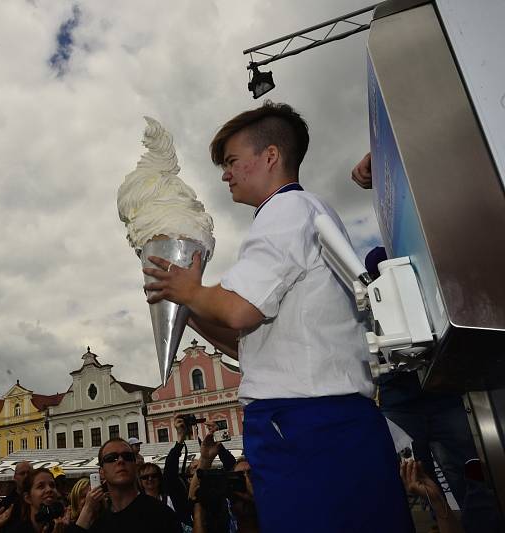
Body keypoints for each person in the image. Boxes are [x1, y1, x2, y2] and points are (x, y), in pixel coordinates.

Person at [144, 101, 413, 532]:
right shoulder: (304, 212)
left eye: (232, 161)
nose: (225, 174)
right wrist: (186, 307)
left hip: (306, 424)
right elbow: (247, 343)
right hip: (322, 421)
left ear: (270, 155)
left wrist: (191, 290)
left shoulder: (286, 210)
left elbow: (237, 310)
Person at [352, 152, 505, 533]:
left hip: (444, 385)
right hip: (404, 389)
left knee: (470, 474)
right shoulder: (376, 281)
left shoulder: (429, 255)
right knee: (403, 477)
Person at [70, 438, 181, 532]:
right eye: (111, 458)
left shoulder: (161, 514)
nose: (121, 460)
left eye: (127, 456)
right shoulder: (99, 523)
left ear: (134, 466)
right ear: (101, 472)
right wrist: (87, 510)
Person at [0, 468, 67, 533]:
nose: (49, 489)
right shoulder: (16, 530)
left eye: (52, 485)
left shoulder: (65, 527)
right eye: (41, 486)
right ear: (27, 498)